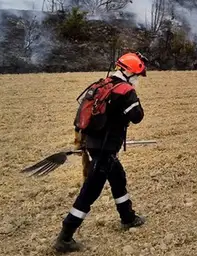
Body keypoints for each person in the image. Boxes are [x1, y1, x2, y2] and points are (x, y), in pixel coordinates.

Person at [53, 52, 149, 253]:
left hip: (93, 144)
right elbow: (137, 116)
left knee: (118, 177)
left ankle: (127, 217)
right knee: (90, 191)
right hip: (105, 148)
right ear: (130, 73)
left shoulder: (101, 84)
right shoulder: (125, 91)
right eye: (138, 76)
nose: (138, 80)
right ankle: (66, 234)